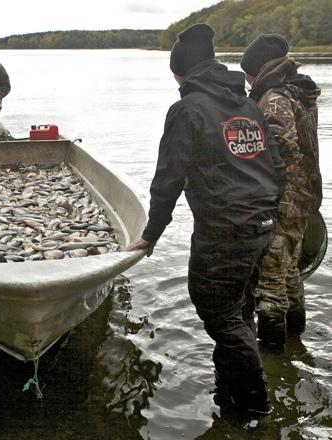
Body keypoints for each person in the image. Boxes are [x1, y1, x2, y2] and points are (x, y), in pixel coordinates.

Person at [127, 23, 286, 415]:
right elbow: (276, 165)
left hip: (225, 232)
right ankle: (228, 391)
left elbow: (169, 179)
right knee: (238, 311)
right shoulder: (247, 104)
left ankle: (253, 406)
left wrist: (150, 234)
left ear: (182, 71)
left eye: (175, 74)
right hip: (261, 225)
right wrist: (268, 212)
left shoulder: (187, 109)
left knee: (218, 313)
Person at [241, 35, 322, 347]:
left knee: (271, 283)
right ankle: (295, 344)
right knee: (290, 275)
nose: (247, 81)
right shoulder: (297, 93)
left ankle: (272, 363)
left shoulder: (274, 97)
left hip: (282, 201)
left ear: (259, 70)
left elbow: (280, 149)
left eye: (248, 73)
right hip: (304, 199)